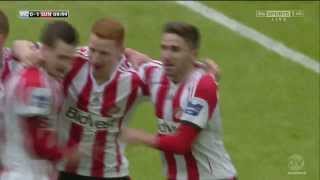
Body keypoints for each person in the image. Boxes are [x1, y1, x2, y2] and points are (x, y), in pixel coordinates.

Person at [120, 22, 237, 180]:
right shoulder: (154, 74)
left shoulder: (202, 86)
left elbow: (181, 143)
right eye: (164, 48)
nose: (166, 56)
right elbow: (110, 54)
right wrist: (128, 52)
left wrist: (139, 136)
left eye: (175, 49)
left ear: (193, 53)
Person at [1, 20, 79, 180]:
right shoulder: (36, 85)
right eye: (61, 58)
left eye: (69, 59)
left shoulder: (38, 74)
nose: (65, 65)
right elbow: (38, 143)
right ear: (44, 50)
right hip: (26, 174)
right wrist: (69, 155)